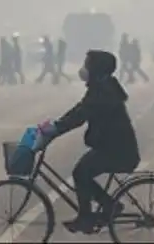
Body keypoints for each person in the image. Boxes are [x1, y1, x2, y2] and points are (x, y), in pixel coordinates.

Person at [39, 50, 140, 234]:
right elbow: (79, 109)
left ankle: (89, 217)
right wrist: (57, 125)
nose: (84, 69)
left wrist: (56, 130)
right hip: (112, 147)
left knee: (81, 172)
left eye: (88, 65)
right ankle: (108, 206)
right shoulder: (102, 87)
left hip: (118, 151)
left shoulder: (103, 91)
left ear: (96, 69)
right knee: (82, 172)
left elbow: (81, 115)